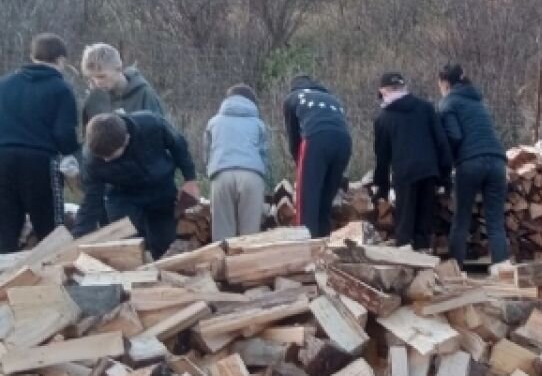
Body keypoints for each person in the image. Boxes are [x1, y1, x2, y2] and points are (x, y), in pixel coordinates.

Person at [74, 43, 168, 237]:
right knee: (116, 237)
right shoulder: (94, 99)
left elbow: (160, 136)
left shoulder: (144, 93)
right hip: (108, 181)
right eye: (92, 78)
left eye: (101, 76)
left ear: (118, 69)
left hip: (142, 179)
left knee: (147, 237)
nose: (97, 82)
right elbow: (89, 140)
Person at [0, 34, 79, 253]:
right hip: (40, 161)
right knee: (50, 229)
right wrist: (72, 154)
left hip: (2, 159)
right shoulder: (61, 89)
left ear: (32, 57)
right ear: (61, 60)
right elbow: (64, 133)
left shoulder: (4, 84)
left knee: (5, 228)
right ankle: (54, 277)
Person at [83, 112, 199, 259]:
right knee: (125, 244)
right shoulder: (92, 159)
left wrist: (190, 179)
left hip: (160, 189)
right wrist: (79, 236)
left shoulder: (152, 124)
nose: (105, 161)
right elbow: (91, 199)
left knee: (165, 244)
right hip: (122, 195)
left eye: (111, 156)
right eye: (102, 157)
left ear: (126, 139)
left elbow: (179, 146)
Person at [437, 64, 509, 265]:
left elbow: (454, 136)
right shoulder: (478, 101)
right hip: (497, 161)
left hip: (470, 162)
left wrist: (446, 164)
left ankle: (455, 269)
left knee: (461, 219)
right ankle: (502, 269)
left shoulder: (447, 103)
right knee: (496, 222)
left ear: (445, 83)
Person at [373, 72, 452, 250]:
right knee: (424, 226)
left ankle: (406, 261)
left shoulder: (383, 119)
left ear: (383, 91)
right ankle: (425, 266)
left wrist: (382, 190)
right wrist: (445, 177)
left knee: (404, 227)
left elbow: (382, 158)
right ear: (404, 88)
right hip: (429, 172)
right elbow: (441, 142)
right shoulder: (426, 108)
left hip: (405, 175)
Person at [283, 75, 352, 238]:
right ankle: (323, 242)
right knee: (324, 202)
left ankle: (305, 246)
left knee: (307, 201)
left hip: (316, 138)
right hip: (344, 143)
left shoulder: (293, 98)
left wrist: (300, 166)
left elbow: (294, 137)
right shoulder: (332, 99)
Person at [205, 85, 270, 241]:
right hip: (251, 176)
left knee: (222, 235)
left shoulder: (214, 122)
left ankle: (222, 263)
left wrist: (211, 171)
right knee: (250, 236)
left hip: (221, 175)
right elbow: (264, 154)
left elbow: (207, 153)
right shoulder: (258, 124)